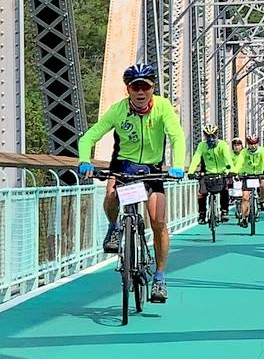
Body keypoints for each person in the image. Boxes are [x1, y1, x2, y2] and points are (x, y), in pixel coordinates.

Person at [76, 63, 187, 303]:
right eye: (135, 86)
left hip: (152, 169)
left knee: (158, 222)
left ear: (152, 88)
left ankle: (159, 277)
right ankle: (114, 227)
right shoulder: (118, 111)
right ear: (127, 89)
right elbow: (89, 137)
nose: (140, 91)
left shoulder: (162, 107)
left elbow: (177, 136)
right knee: (111, 195)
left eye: (144, 87)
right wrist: (84, 160)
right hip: (123, 165)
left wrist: (178, 165)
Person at [187, 124, 234, 224]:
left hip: (221, 172)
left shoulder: (222, 145)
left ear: (217, 135)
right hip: (207, 173)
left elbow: (228, 159)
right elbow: (196, 158)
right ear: (205, 136)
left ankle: (224, 211)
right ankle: (202, 214)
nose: (211, 138)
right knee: (201, 193)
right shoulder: (202, 145)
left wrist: (231, 170)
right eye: (208, 136)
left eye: (213, 135)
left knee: (225, 189)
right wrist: (191, 171)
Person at [246, 134, 264, 210]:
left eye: (255, 144)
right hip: (248, 174)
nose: (253, 146)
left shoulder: (263, 151)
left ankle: (262, 200)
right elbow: (241, 163)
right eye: (251, 144)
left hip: (261, 173)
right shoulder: (245, 152)